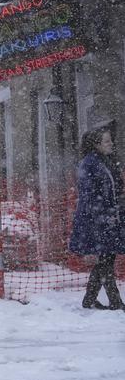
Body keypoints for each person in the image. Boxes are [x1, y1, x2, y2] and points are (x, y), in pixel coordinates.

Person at [69, 127, 124, 310]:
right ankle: (115, 302)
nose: (111, 144)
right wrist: (102, 217)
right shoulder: (89, 164)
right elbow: (89, 196)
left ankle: (90, 299)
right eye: (107, 141)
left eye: (110, 140)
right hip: (97, 222)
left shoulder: (106, 161)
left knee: (106, 259)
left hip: (109, 220)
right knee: (105, 260)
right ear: (97, 144)